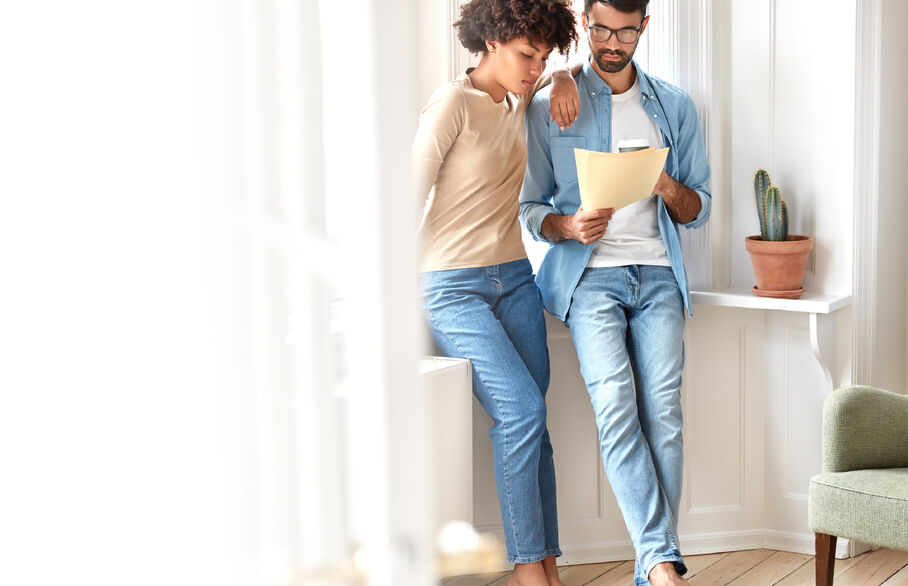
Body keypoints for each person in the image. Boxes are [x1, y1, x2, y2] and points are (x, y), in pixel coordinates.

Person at [518, 0, 711, 584]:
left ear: (644, 28)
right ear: (584, 24)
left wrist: (664, 184)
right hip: (589, 279)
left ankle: (655, 567)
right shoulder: (557, 101)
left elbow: (698, 210)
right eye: (600, 28)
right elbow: (530, 210)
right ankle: (662, 569)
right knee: (616, 411)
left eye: (625, 31)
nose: (611, 42)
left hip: (657, 277)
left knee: (665, 417)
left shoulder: (673, 105)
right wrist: (569, 226)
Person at [411, 1, 582, 584]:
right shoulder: (450, 104)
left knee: (536, 425)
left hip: (514, 280)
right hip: (452, 286)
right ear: (491, 43)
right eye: (525, 55)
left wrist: (562, 74)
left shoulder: (518, 100)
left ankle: (548, 566)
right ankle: (525, 571)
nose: (535, 67)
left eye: (544, 56)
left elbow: (562, 77)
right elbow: (406, 199)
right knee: (521, 409)